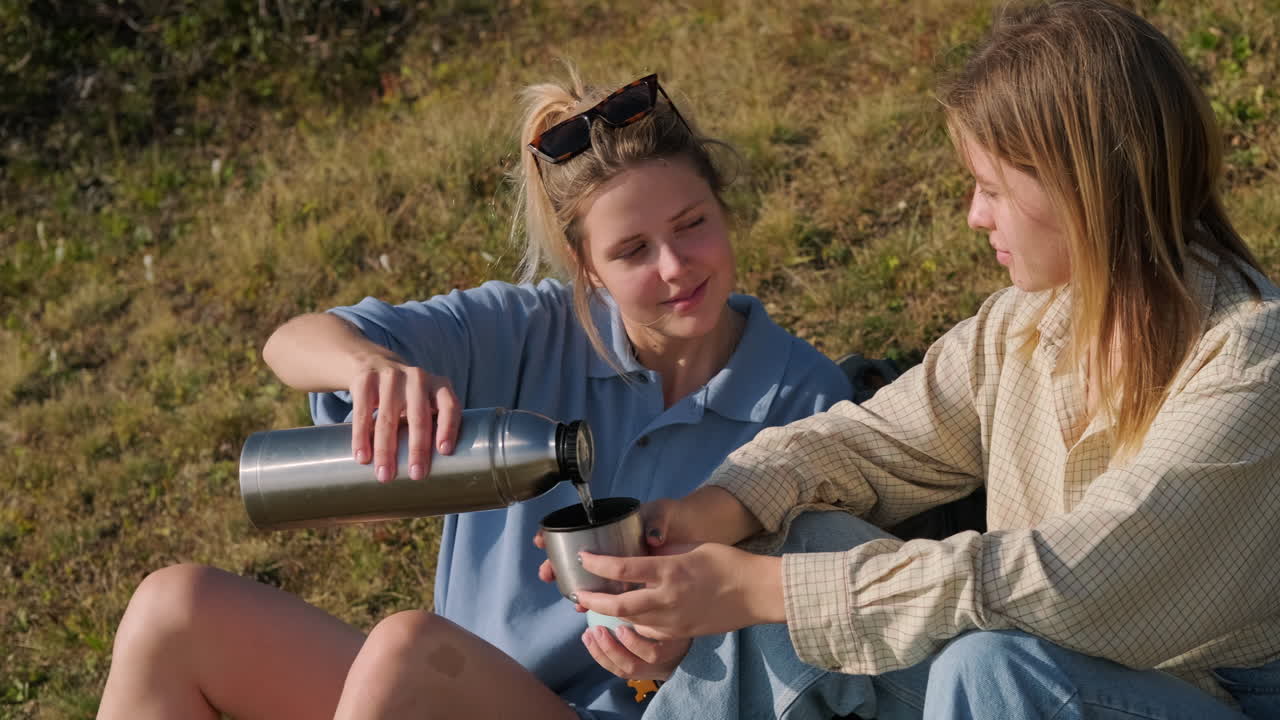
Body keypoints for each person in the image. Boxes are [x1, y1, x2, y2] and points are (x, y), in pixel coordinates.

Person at [571, 2, 1280, 718]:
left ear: (1089, 185)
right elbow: (865, 443)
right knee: (799, 545)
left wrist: (762, 590)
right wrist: (709, 513)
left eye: (993, 189)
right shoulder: (1024, 323)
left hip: (1212, 697)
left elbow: (1079, 574)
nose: (975, 215)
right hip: (1043, 665)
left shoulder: (1251, 358)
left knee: (990, 668)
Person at [95, 67, 855, 720]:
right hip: (432, 691)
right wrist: (368, 366)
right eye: (632, 250)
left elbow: (812, 626)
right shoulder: (530, 331)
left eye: (692, 225)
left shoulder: (804, 397)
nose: (675, 266)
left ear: (724, 209)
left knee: (408, 649)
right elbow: (290, 343)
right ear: (587, 268)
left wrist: (678, 653)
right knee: (175, 610)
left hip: (623, 707)